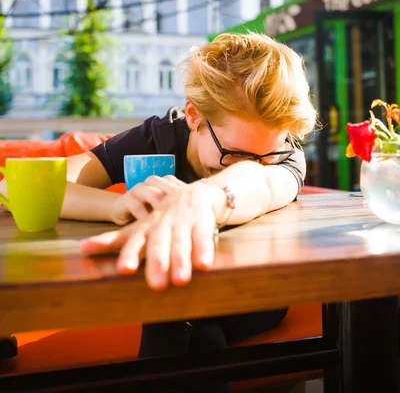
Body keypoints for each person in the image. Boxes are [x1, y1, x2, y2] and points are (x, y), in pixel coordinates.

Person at [0, 33, 317, 385]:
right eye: (232, 153)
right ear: (194, 116)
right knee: (190, 324)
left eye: (267, 155)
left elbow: (262, 184)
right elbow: (14, 187)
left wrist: (200, 198)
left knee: (181, 316)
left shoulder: (284, 154)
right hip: (167, 294)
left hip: (256, 295)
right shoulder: (160, 136)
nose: (251, 163)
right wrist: (115, 205)